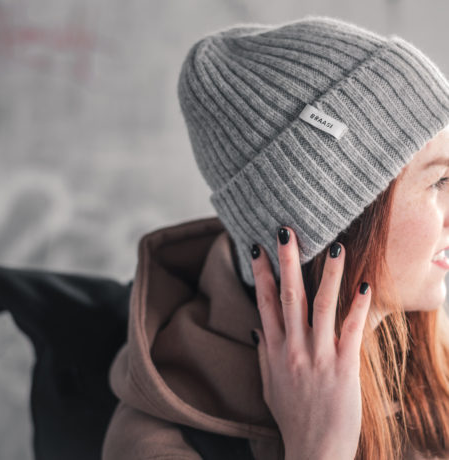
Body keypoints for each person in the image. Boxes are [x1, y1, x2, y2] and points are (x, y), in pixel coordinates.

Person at [101, 15, 449, 460]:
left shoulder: (422, 360)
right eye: (438, 182)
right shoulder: (157, 444)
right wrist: (318, 450)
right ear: (336, 219)